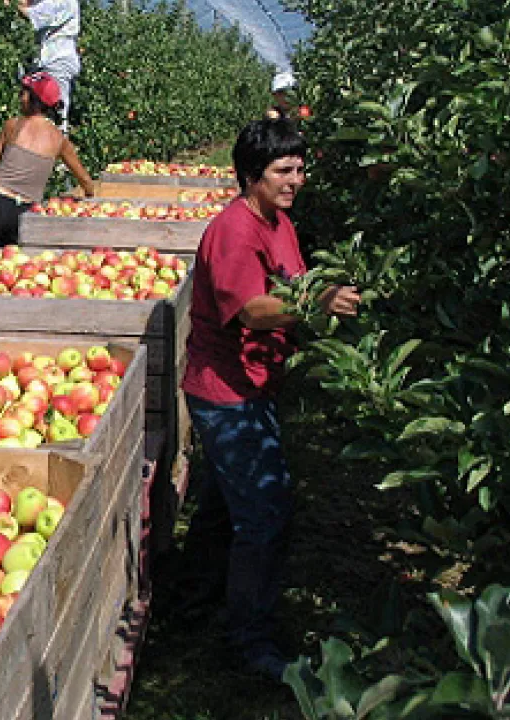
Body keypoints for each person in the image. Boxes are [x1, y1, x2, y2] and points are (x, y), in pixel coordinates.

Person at [180, 117, 360, 680]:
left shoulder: (278, 221)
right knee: (265, 509)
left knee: (222, 503)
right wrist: (317, 304)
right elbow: (252, 309)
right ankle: (250, 640)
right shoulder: (235, 232)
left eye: (300, 169)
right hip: (227, 392)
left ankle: (190, 601)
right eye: (284, 170)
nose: (296, 180)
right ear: (252, 175)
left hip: (255, 382)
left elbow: (290, 284)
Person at [0, 71, 95, 246]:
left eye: (23, 93)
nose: (20, 98)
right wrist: (89, 200)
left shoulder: (13, 125)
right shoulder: (60, 140)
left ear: (34, 100)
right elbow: (85, 181)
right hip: (26, 214)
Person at [17, 0, 81, 131]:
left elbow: (31, 15)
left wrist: (11, 4)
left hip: (57, 62)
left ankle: (56, 140)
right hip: (44, 61)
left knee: (53, 116)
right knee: (33, 113)